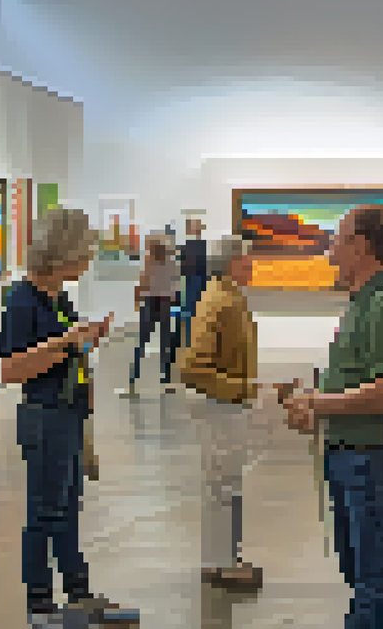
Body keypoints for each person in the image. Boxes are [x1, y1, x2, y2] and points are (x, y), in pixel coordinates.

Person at [279, 205, 383, 628]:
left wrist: (317, 403)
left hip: (377, 461)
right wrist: (316, 399)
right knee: (363, 577)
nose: (330, 249)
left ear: (361, 246)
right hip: (357, 458)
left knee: (375, 581)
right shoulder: (365, 305)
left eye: (337, 238)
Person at [0, 208, 135, 624]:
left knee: (67, 508)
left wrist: (85, 339)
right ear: (63, 254)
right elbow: (10, 368)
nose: (89, 260)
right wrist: (67, 341)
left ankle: (78, 594)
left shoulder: (58, 298)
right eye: (84, 253)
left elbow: (65, 352)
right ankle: (40, 605)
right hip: (44, 415)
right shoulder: (22, 300)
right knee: (44, 512)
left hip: (67, 412)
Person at [180, 235, 268, 590]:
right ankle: (222, 563)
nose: (252, 266)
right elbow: (192, 368)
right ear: (231, 262)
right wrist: (243, 390)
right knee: (223, 486)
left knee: (224, 485)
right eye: (247, 260)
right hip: (219, 406)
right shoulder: (219, 300)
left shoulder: (229, 297)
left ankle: (220, 559)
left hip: (226, 403)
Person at [123, 232, 179, 397]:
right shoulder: (171, 262)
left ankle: (132, 382)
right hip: (165, 303)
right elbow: (175, 285)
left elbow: (143, 282)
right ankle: (166, 381)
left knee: (141, 342)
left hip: (150, 302)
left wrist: (136, 299)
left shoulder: (149, 261)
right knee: (165, 343)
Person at [178, 215, 210, 349]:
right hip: (192, 283)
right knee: (192, 313)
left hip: (196, 283)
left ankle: (193, 341)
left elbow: (184, 268)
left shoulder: (198, 246)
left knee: (195, 313)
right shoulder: (190, 246)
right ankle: (191, 342)